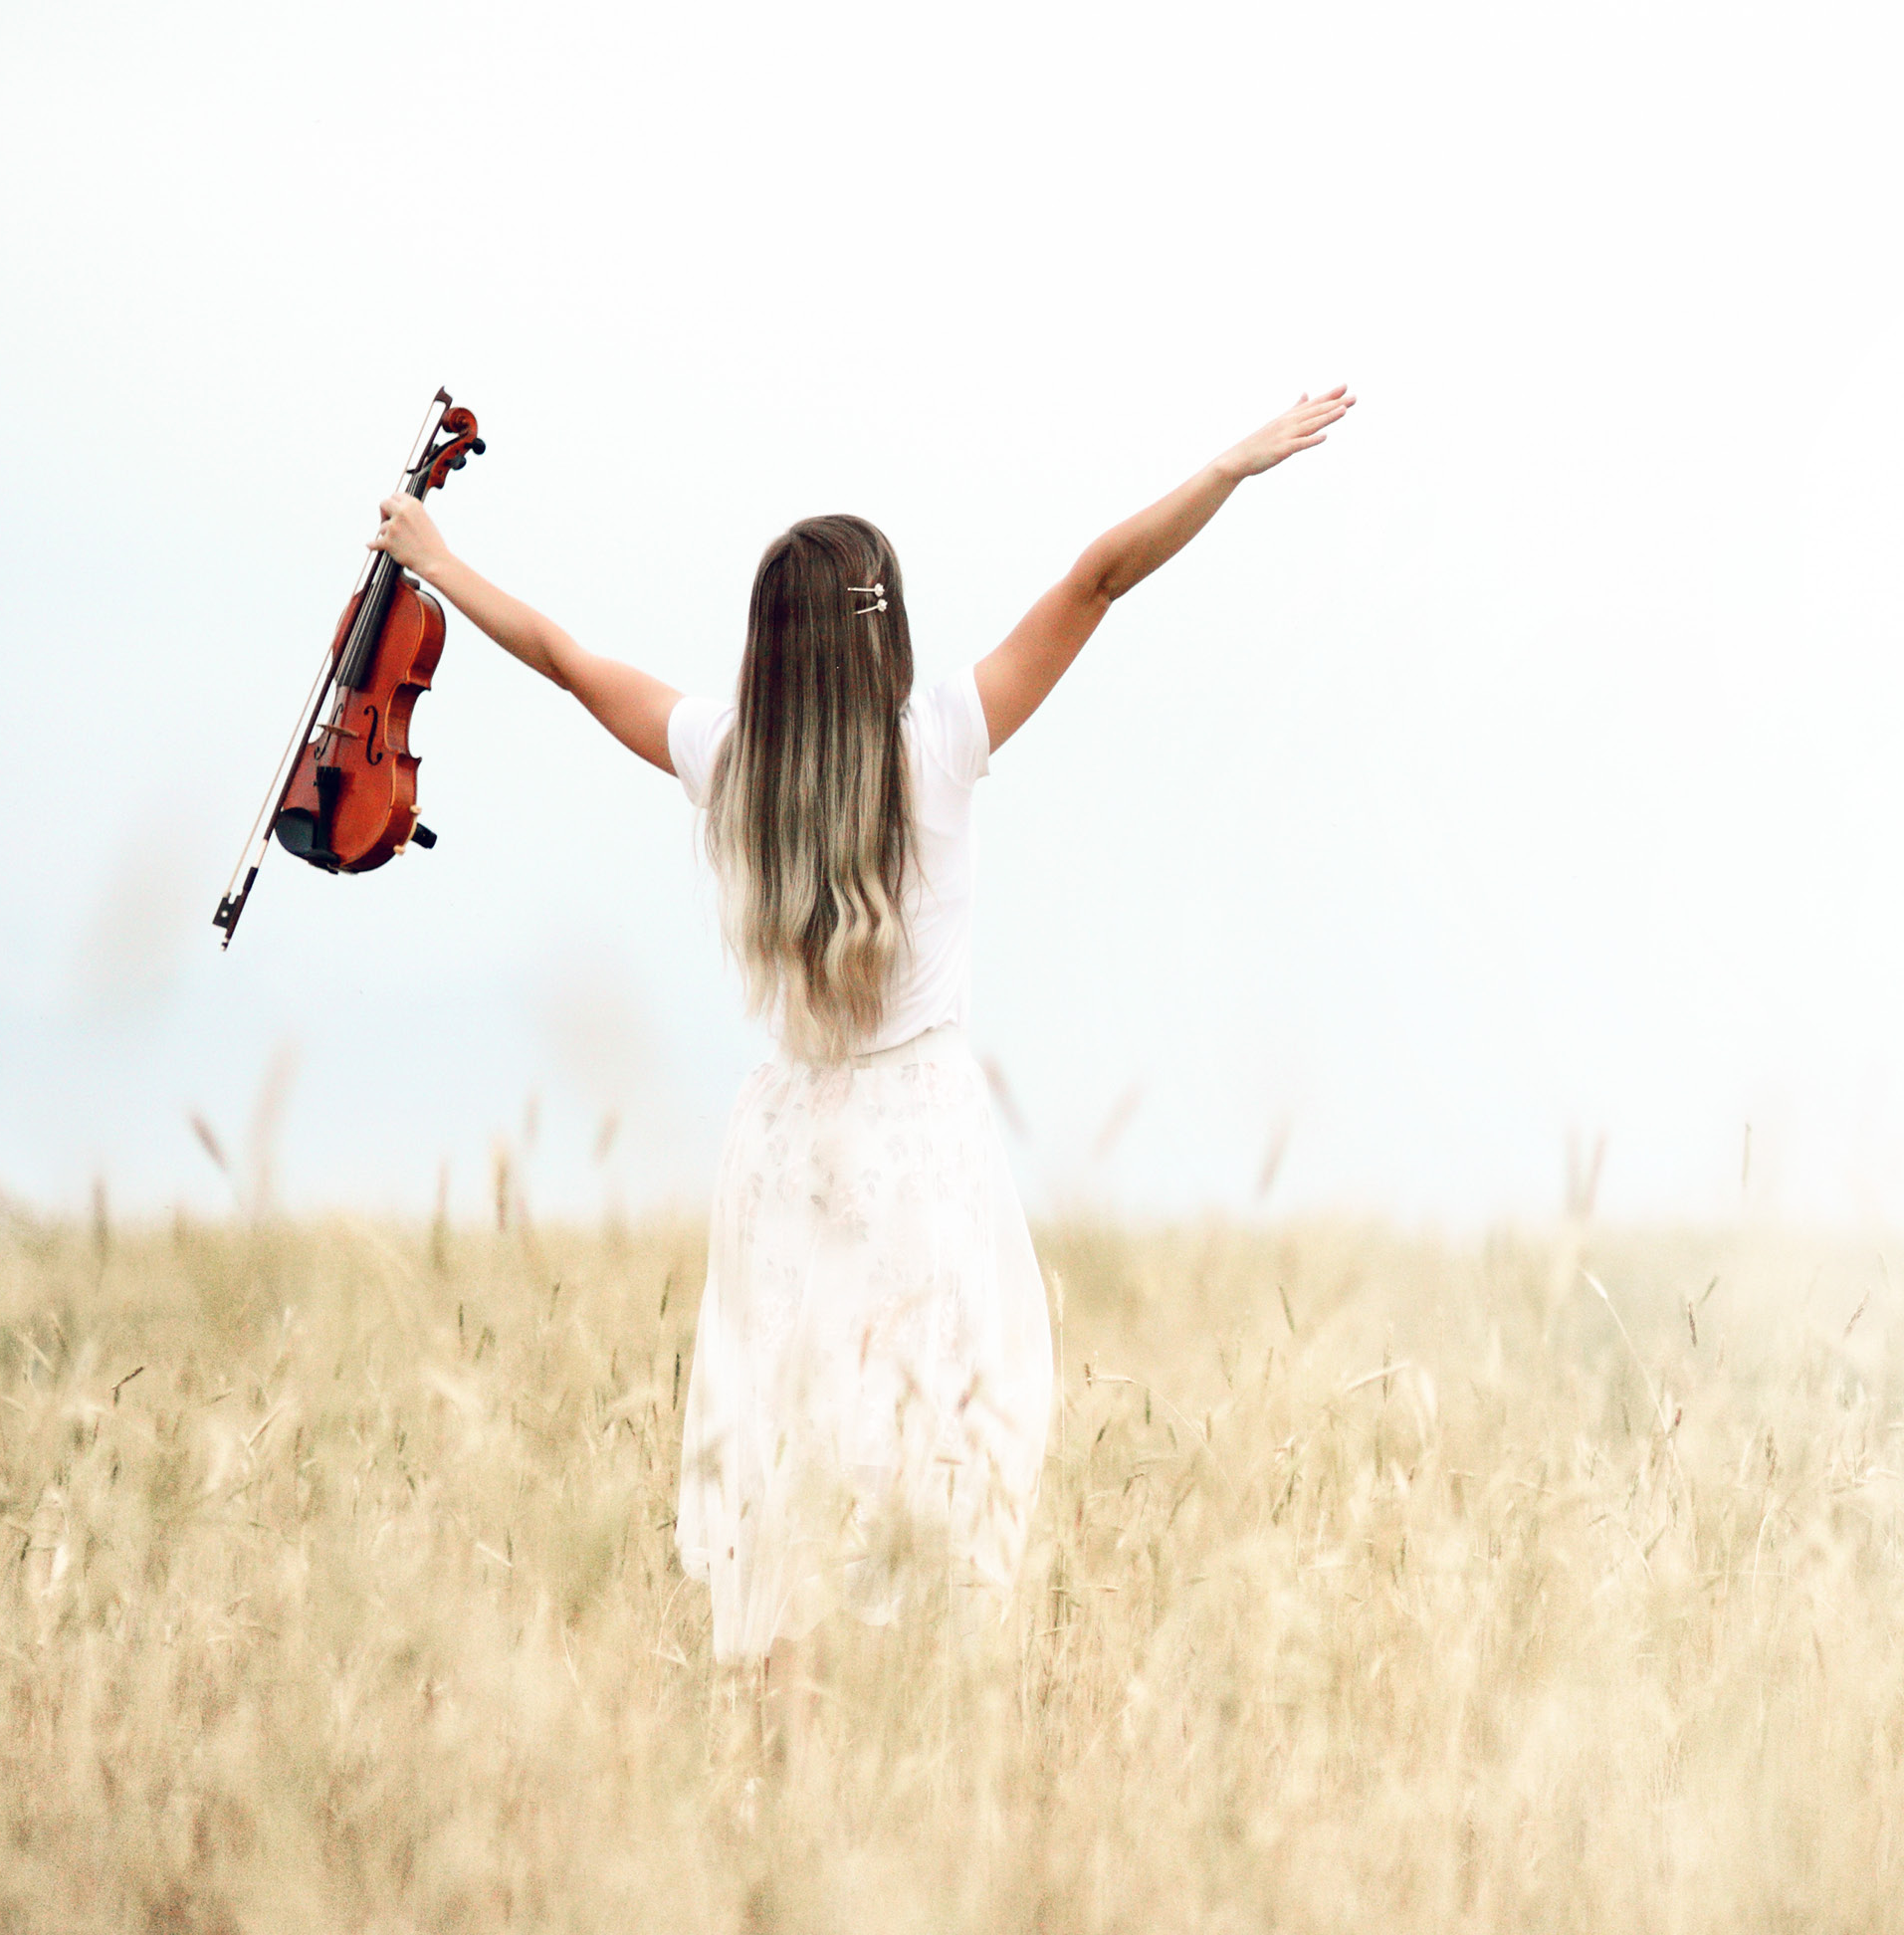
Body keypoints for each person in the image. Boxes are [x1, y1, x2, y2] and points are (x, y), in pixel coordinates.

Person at [364, 387, 1358, 1669]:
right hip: (919, 1135)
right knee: (927, 1455)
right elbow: (1099, 578)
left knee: (790, 1449)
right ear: (877, 637)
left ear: (767, 647)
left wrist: (437, 561)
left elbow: (561, 657)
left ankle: (782, 1739)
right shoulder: (939, 740)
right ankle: (910, 1743)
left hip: (783, 1140)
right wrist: (1227, 465)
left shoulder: (725, 754)